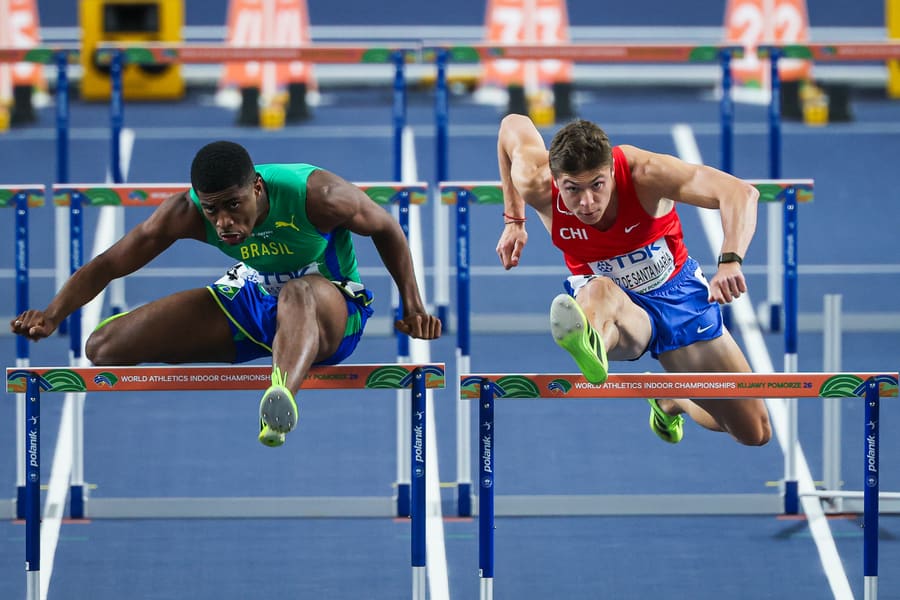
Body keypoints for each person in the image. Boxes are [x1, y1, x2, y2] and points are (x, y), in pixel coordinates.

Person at [10, 140, 442, 447]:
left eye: (233, 205)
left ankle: (282, 397)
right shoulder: (186, 213)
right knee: (103, 347)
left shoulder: (319, 196)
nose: (222, 223)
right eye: (211, 209)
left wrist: (413, 305)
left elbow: (387, 228)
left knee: (297, 293)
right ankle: (275, 345)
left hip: (331, 310)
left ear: (256, 187)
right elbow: (109, 263)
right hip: (252, 299)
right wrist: (52, 314)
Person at [495, 115, 770, 446]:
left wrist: (729, 261)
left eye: (597, 185)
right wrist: (514, 220)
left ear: (611, 171)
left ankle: (672, 399)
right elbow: (511, 125)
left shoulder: (646, 173)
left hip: (677, 295)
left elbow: (740, 193)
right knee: (598, 288)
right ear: (555, 181)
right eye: (572, 190)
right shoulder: (535, 181)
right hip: (617, 308)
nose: (586, 203)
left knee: (754, 432)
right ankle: (592, 343)